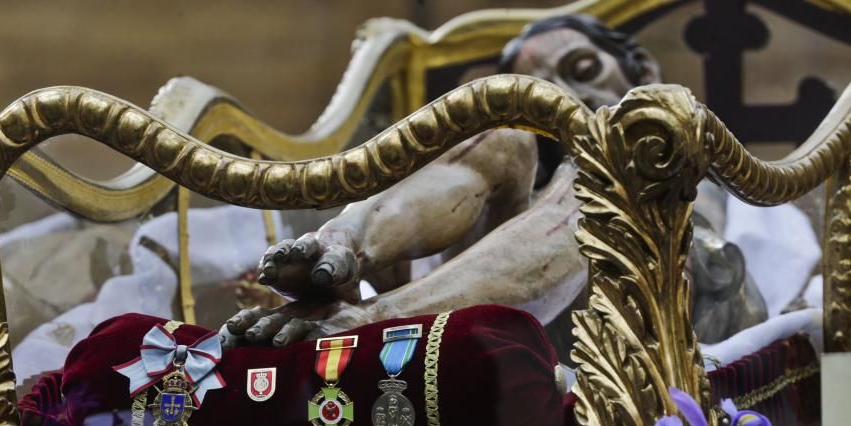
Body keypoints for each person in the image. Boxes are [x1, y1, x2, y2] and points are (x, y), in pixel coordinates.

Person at [220, 15, 771, 358]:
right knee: (504, 138)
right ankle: (338, 249)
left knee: (601, 175)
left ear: (643, 68)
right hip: (516, 299)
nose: (562, 95)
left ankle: (369, 320)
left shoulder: (728, 181)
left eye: (580, 67)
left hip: (671, 306)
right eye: (543, 86)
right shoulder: (525, 196)